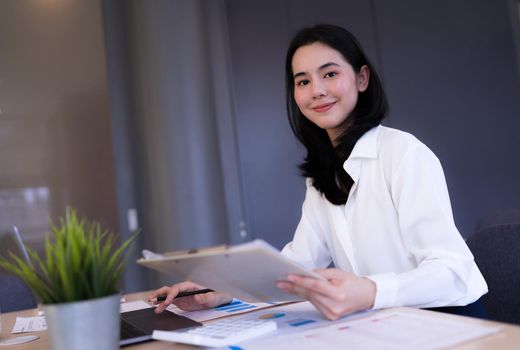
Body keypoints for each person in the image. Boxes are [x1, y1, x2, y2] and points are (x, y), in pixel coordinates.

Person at [149, 24, 488, 320]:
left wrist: (370, 291)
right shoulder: (322, 173)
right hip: (383, 324)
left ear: (361, 78)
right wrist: (222, 289)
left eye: (329, 74)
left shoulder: (404, 154)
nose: (317, 91)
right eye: (303, 81)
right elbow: (297, 267)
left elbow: (451, 271)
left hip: (448, 321)